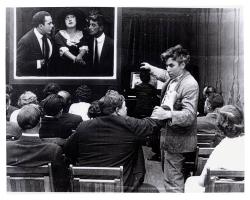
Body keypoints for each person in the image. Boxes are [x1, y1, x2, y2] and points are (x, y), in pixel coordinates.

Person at [64, 90, 160, 192]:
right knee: (152, 190)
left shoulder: (83, 126)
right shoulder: (129, 124)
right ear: (117, 110)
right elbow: (153, 124)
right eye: (125, 106)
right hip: (119, 187)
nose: (126, 109)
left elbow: (68, 150)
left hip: (85, 188)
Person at [141, 44, 199, 192]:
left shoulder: (190, 84)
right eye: (166, 65)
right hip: (168, 138)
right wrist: (151, 68)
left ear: (183, 64)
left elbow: (190, 115)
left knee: (173, 183)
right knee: (169, 178)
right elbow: (164, 74)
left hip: (178, 141)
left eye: (171, 65)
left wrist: (167, 114)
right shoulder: (175, 76)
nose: (168, 69)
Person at [6, 104, 70, 191]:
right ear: (40, 123)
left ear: (19, 125)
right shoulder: (53, 150)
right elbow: (62, 184)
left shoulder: (6, 148)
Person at [185, 105, 244, 192]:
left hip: (220, 191)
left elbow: (202, 182)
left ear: (220, 126)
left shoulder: (222, 148)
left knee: (190, 182)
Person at [16, 11, 54, 76]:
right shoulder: (25, 41)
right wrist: (38, 63)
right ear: (41, 26)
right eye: (49, 23)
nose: (52, 25)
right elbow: (19, 65)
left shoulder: (48, 38)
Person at [53, 9, 89, 76]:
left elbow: (84, 47)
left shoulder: (83, 33)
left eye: (72, 17)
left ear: (76, 19)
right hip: (64, 70)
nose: (70, 20)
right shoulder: (59, 35)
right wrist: (77, 59)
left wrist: (80, 55)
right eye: (67, 18)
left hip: (80, 70)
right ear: (64, 21)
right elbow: (65, 51)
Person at [85, 10, 114, 76]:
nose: (89, 27)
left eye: (93, 25)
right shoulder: (88, 42)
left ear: (101, 28)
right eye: (89, 25)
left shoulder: (112, 44)